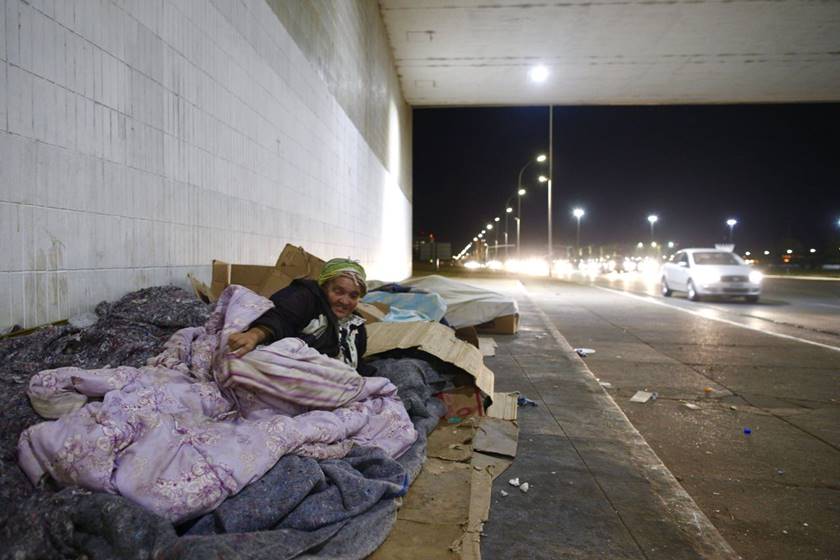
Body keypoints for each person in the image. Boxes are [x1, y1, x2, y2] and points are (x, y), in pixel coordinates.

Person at [227, 258, 373, 374]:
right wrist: (254, 335)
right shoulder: (303, 298)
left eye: (353, 296)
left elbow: (357, 362)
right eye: (338, 291)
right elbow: (280, 317)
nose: (345, 301)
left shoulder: (356, 327)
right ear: (324, 286)